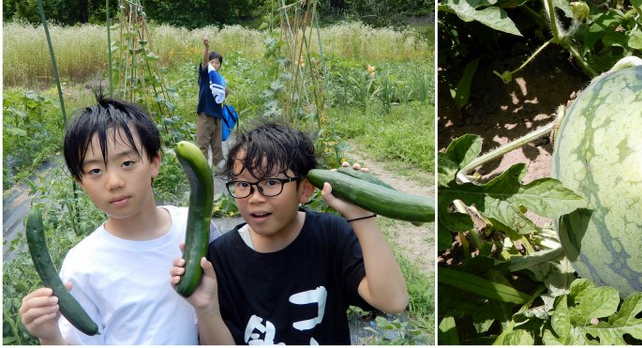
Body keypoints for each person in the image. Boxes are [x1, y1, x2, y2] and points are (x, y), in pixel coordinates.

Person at [172, 122, 408, 345]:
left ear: (304, 189)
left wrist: (363, 217)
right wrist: (206, 308)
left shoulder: (330, 236)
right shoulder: (222, 257)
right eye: (243, 184)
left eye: (271, 182)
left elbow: (393, 301)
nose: (255, 197)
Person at [18, 94, 218, 345]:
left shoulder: (199, 229)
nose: (114, 182)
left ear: (155, 162)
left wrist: (208, 307)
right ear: (80, 181)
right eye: (95, 171)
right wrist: (49, 336)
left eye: (126, 163)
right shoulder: (82, 266)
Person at [196, 36, 227, 172]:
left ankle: (219, 168)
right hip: (205, 114)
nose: (215, 65)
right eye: (212, 62)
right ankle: (201, 171)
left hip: (217, 115)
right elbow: (203, 62)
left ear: (220, 65)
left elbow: (220, 97)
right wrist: (206, 47)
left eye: (217, 63)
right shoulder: (205, 74)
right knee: (202, 145)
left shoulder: (219, 79)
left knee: (217, 145)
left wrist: (226, 92)